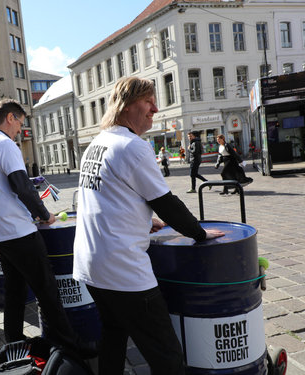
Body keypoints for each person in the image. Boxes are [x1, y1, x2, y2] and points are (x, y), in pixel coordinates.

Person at [72, 77, 224, 375]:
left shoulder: (97, 144)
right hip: (123, 269)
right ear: (127, 106)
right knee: (167, 356)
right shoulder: (133, 146)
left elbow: (108, 198)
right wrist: (200, 233)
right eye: (148, 102)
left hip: (90, 265)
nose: (155, 108)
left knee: (113, 337)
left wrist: (143, 220)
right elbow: (167, 203)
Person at [0, 99, 94, 356]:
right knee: (46, 288)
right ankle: (71, 344)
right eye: (20, 122)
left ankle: (14, 340)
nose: (20, 128)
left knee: (15, 289)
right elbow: (21, 185)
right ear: (9, 118)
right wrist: (44, 214)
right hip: (17, 230)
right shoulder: (4, 144)